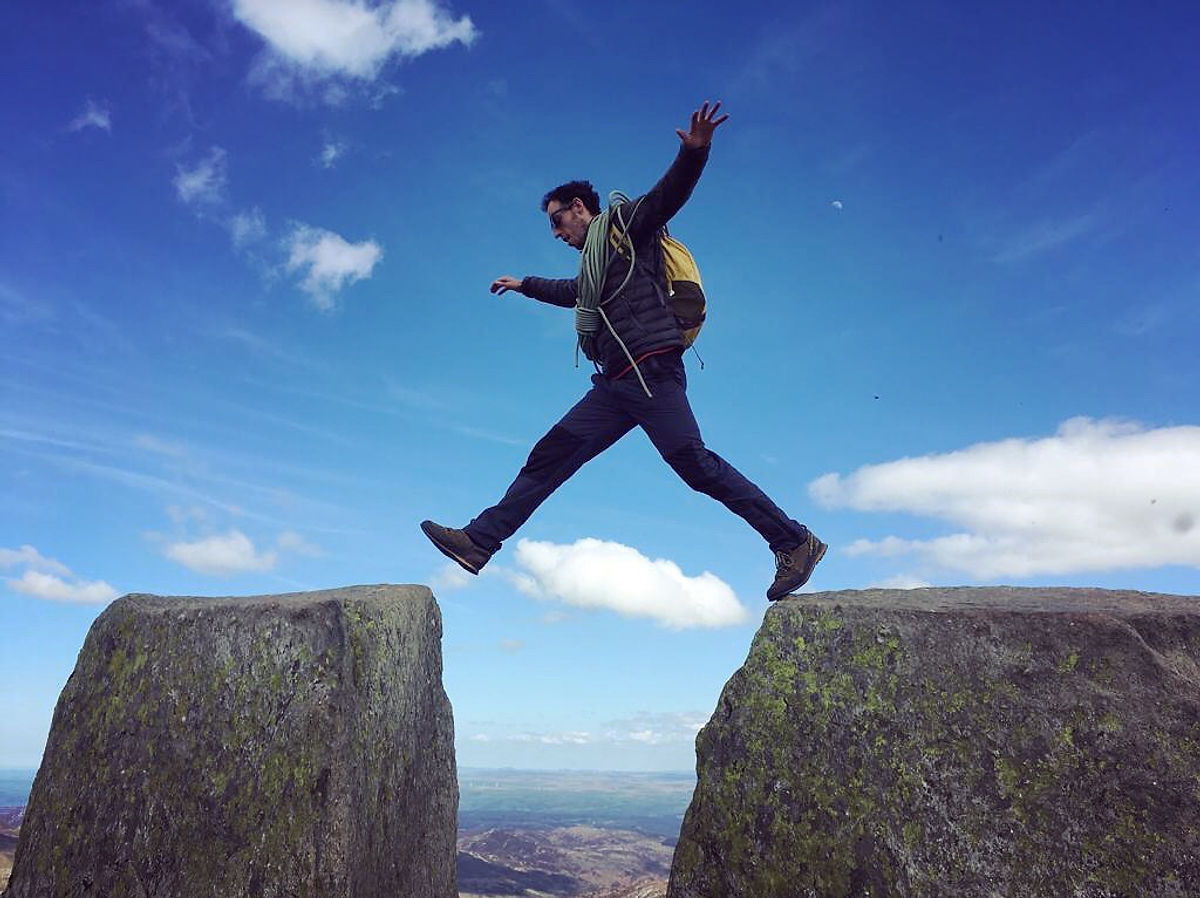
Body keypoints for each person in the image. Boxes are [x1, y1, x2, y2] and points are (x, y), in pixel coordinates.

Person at [421, 101, 825, 601]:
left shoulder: (625, 226)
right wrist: (524, 284)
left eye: (556, 221)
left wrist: (694, 153)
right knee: (550, 455)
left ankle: (794, 541)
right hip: (615, 382)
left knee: (695, 465)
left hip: (652, 368)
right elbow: (575, 292)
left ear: (578, 207)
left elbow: (667, 196)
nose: (555, 233)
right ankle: (479, 542)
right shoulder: (595, 267)